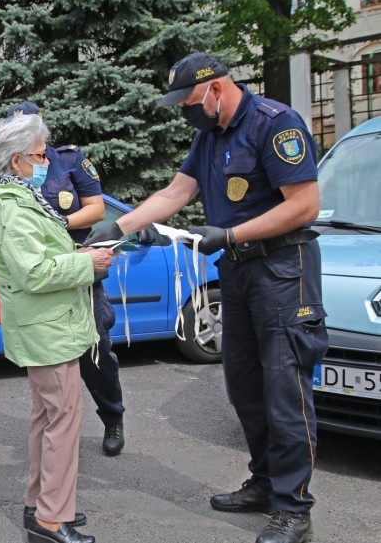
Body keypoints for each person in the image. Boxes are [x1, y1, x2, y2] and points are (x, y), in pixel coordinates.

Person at [86, 53, 326, 543]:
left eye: (190, 102)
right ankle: (265, 483)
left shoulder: (274, 124)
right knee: (244, 386)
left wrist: (232, 234)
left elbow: (304, 205)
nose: (185, 111)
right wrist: (119, 226)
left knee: (285, 391)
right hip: (237, 271)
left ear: (216, 88)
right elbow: (175, 193)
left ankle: (293, 509)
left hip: (284, 270)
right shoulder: (209, 135)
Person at [0, 102, 126, 457]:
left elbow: (97, 208)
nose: (42, 159)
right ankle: (55, 471)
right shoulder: (8, 188)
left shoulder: (66, 160)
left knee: (97, 352)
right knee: (55, 399)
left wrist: (57, 225)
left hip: (79, 272)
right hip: (51, 284)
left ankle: (112, 418)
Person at [0, 113, 110, 543]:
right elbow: (34, 272)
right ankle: (51, 518)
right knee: (62, 422)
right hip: (47, 328)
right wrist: (88, 262)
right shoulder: (12, 207)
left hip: (47, 325)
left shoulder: (18, 198)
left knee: (48, 418)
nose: (46, 161)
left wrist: (81, 257)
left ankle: (42, 505)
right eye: (39, 155)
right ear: (16, 161)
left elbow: (42, 257)